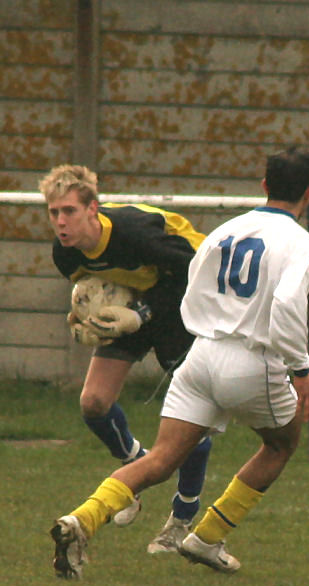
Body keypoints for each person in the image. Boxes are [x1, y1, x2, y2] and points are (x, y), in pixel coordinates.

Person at [49, 146, 309, 579]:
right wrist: (302, 371)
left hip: (201, 355)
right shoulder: (304, 243)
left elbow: (195, 285)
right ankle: (207, 536)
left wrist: (189, 328)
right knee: (280, 444)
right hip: (252, 361)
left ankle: (81, 520)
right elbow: (288, 305)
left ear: (264, 186)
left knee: (159, 460)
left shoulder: (225, 231)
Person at [39, 164, 212, 553]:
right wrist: (84, 314)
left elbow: (195, 273)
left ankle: (181, 520)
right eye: (54, 212)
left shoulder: (134, 233)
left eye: (69, 211)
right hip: (134, 307)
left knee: (191, 423)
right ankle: (133, 474)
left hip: (181, 305)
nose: (61, 222)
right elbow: (93, 287)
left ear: (93, 209)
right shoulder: (64, 253)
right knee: (94, 403)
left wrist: (142, 314)